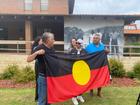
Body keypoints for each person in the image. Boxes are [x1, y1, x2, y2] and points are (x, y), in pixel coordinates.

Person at [27, 32, 55, 105]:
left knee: (49, 100)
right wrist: (37, 53)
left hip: (50, 78)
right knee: (42, 100)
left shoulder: (52, 49)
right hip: (43, 78)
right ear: (48, 40)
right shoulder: (40, 47)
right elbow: (28, 59)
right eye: (52, 39)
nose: (54, 40)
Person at [85, 33, 109, 97]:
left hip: (100, 66)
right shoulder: (88, 46)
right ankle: (91, 91)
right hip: (91, 65)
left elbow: (105, 54)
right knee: (92, 79)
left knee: (100, 78)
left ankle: (99, 92)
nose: (94, 39)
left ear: (99, 39)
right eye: (94, 38)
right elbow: (85, 55)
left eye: (96, 38)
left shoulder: (102, 46)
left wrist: (107, 52)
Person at [70, 39, 86, 105]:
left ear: (81, 44)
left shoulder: (85, 51)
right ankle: (74, 97)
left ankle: (79, 95)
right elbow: (68, 58)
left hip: (81, 70)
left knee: (80, 84)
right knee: (74, 84)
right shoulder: (72, 50)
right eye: (76, 43)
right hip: (74, 70)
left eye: (79, 43)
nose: (77, 44)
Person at [32, 36, 43, 101]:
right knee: (38, 80)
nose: (42, 42)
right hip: (38, 65)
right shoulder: (36, 48)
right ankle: (37, 96)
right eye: (41, 41)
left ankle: (40, 96)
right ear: (38, 41)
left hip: (42, 65)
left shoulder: (41, 47)